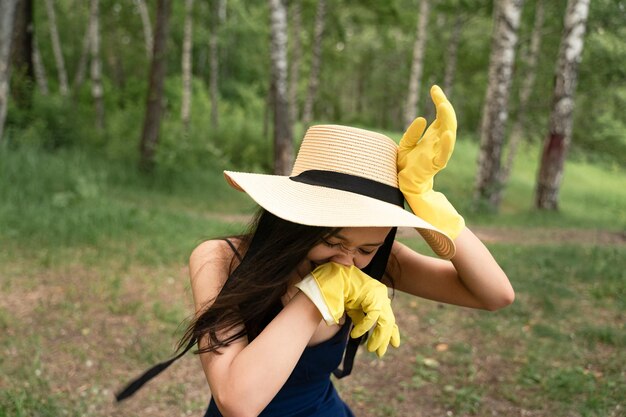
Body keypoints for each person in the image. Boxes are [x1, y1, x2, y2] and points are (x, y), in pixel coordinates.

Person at [116, 86, 514, 415]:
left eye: (366, 248)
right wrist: (318, 296)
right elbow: (237, 400)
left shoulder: (378, 262)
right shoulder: (218, 259)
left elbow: (495, 295)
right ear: (293, 224)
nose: (347, 261)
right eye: (332, 241)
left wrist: (428, 203)